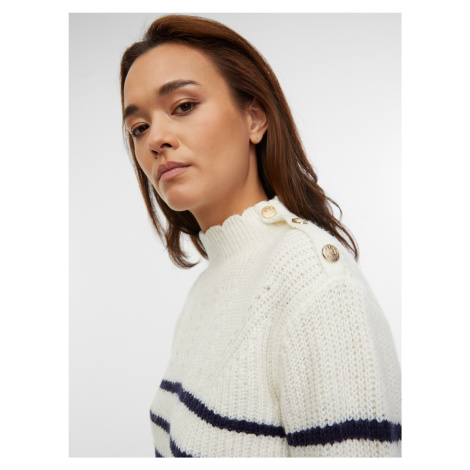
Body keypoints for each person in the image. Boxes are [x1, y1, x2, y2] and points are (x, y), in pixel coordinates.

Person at [119, 14, 401, 458]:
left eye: (184, 106)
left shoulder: (318, 285)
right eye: (139, 128)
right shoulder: (208, 288)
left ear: (254, 118)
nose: (156, 138)